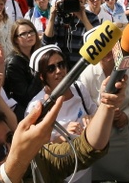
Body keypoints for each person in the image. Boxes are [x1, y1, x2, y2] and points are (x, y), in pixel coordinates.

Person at [0, 74, 126, 183]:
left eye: (11, 138)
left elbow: (87, 148)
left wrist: (107, 105)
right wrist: (18, 160)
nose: (12, 150)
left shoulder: (38, 159)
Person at [26, 45, 97, 182]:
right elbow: (36, 150)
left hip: (86, 165)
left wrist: (91, 119)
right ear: (42, 76)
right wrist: (63, 136)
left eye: (61, 64)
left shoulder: (79, 88)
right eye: (51, 68)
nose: (59, 71)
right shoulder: (36, 107)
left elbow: (95, 112)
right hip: (61, 175)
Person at [79, 28, 129, 182]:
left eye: (111, 45)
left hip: (122, 132)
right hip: (99, 138)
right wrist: (102, 114)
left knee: (123, 175)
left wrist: (126, 115)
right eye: (102, 47)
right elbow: (83, 110)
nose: (107, 51)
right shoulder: (87, 75)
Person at [42, 0, 100, 66]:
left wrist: (83, 18)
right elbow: (47, 42)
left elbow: (98, 43)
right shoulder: (60, 15)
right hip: (61, 65)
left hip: (83, 65)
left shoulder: (92, 17)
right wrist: (52, 16)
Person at [3, 20, 43, 122]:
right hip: (25, 114)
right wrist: (39, 70)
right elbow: (26, 97)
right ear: (16, 39)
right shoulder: (14, 62)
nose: (29, 35)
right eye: (23, 34)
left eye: (31, 31)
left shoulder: (36, 54)